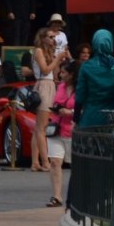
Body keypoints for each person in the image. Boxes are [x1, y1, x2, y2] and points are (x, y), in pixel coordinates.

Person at [31, 27, 69, 172]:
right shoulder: (38, 51)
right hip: (43, 85)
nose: (54, 40)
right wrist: (57, 59)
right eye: (51, 37)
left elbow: (54, 73)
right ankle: (44, 161)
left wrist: (59, 61)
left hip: (49, 84)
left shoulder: (50, 52)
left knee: (38, 128)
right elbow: (45, 70)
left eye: (54, 37)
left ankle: (35, 162)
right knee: (42, 127)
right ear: (43, 38)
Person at [74, 29, 114, 129]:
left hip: (90, 118)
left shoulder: (86, 66)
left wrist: (76, 118)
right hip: (112, 120)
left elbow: (80, 96)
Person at [46, 60, 76, 207]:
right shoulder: (60, 87)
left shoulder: (80, 89)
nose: (61, 74)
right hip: (56, 127)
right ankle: (56, 196)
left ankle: (75, 196)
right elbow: (55, 102)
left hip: (71, 129)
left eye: (64, 72)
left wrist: (70, 112)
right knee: (55, 161)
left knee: (74, 164)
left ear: (72, 74)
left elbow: (81, 107)